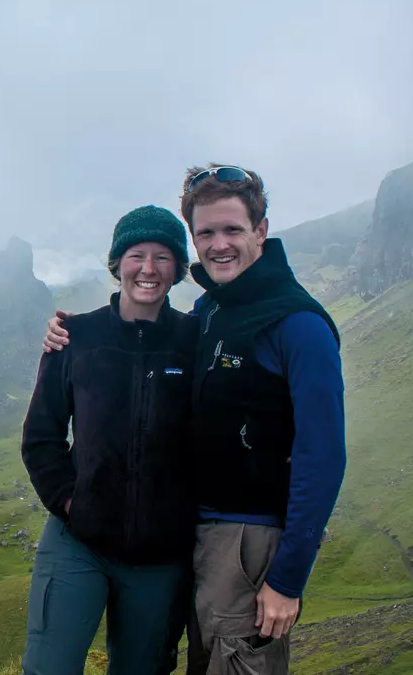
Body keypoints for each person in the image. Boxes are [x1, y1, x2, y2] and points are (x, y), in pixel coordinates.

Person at [42, 164, 347, 674]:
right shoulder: (211, 310)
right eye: (206, 232)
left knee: (235, 664)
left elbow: (324, 455)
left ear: (262, 230)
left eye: (232, 229)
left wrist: (287, 581)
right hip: (194, 535)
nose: (219, 244)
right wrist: (70, 336)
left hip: (248, 540)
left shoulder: (299, 325)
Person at [21, 205, 198, 675]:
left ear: (178, 269)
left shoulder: (195, 340)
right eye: (136, 255)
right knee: (49, 668)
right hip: (78, 539)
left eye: (163, 257)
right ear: (117, 263)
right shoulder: (76, 336)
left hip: (160, 555)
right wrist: (69, 501)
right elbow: (41, 435)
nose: (148, 269)